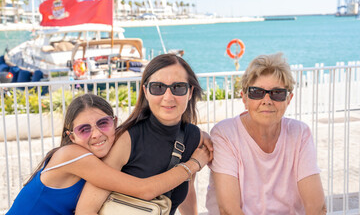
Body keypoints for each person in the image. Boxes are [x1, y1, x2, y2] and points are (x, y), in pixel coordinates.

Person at [6, 93, 210, 215]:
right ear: (72, 136)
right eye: (84, 129)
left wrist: (199, 135)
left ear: (114, 122)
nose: (96, 134)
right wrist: (193, 164)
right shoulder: (72, 155)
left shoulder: (101, 153)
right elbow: (144, 190)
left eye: (103, 123)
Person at [76, 54, 212, 215]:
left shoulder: (192, 136)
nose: (168, 97)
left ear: (190, 93)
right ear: (146, 92)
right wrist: (194, 163)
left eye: (178, 88)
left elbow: (187, 191)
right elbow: (85, 210)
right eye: (158, 87)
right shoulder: (127, 140)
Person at [206, 53, 327, 215]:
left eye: (277, 93)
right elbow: (228, 210)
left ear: (288, 99)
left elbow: (316, 207)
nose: (267, 100)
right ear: (244, 98)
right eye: (257, 92)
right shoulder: (225, 134)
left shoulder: (300, 133)